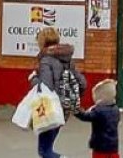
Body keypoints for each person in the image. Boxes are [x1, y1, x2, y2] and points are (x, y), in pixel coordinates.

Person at [31, 27, 86, 158]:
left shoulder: (46, 60)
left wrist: (33, 79)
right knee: (47, 147)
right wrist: (73, 97)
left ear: (42, 42)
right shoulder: (68, 60)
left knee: (45, 151)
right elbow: (82, 83)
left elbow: (46, 86)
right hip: (65, 109)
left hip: (51, 109)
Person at [74, 79, 120, 158]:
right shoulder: (115, 109)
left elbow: (85, 116)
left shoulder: (98, 111)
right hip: (113, 146)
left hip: (100, 146)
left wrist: (76, 110)